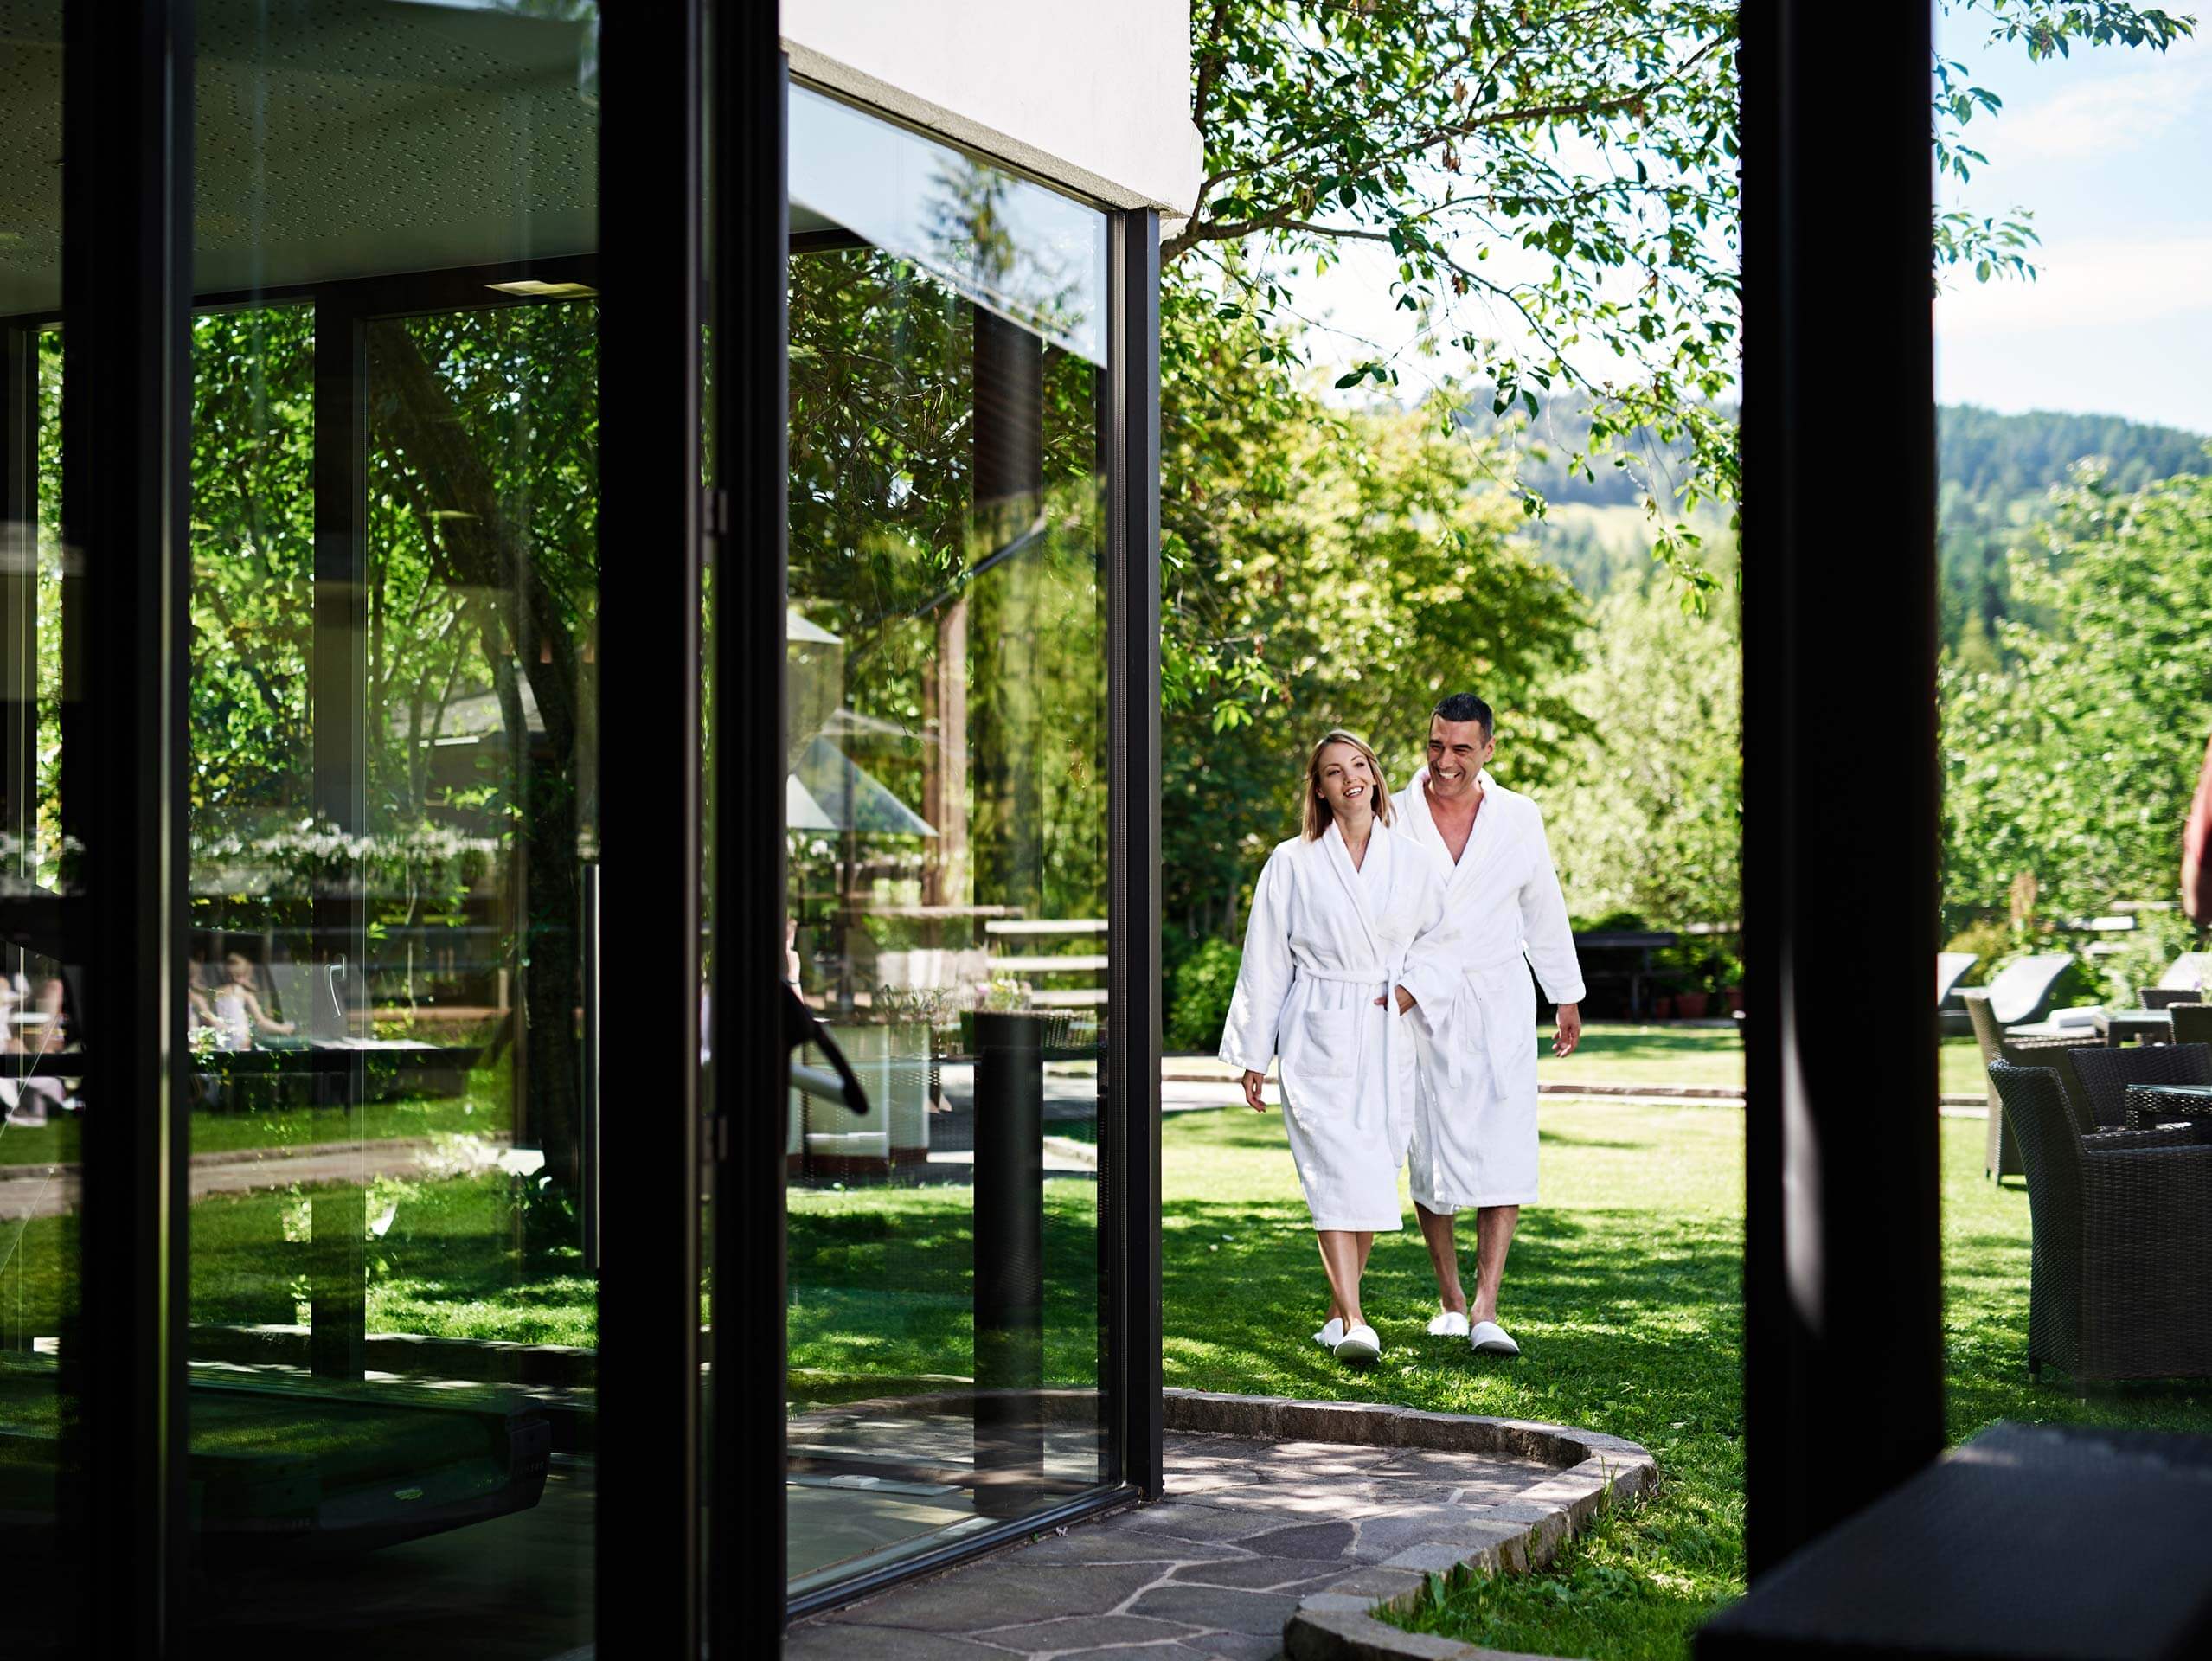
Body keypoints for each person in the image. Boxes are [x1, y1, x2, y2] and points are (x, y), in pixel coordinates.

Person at [1217, 728, 1461, 1363]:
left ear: (1375, 777)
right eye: (1333, 771)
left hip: (1385, 1027)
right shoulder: (1291, 862)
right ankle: (1354, 1320)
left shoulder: (1411, 861)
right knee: (1330, 1171)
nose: (1349, 777)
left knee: (1374, 1169)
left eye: (1358, 765)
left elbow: (1442, 943)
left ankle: (1335, 1314)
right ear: (1319, 789)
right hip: (1316, 1022)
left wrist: (1409, 991)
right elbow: (1264, 959)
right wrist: (1252, 1052)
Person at [1392, 693, 1585, 1358]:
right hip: (1421, 997)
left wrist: (1564, 994)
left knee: (1503, 1138)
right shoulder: (1394, 811)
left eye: (1461, 749)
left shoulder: (1517, 818)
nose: (1445, 762)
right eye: (1435, 745)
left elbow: (1542, 907)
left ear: (1489, 750)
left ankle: (1485, 1307)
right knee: (1429, 1141)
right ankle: (1448, 1298)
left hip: (1499, 994)